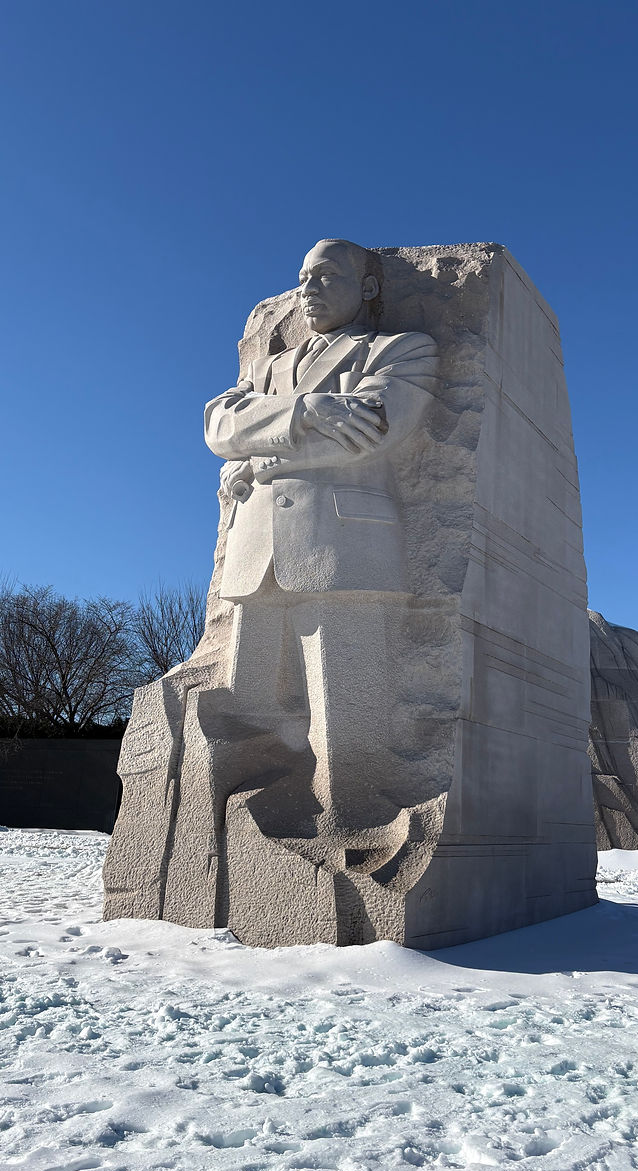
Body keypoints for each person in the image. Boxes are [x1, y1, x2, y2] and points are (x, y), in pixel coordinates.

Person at [203, 239, 438, 833]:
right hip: (257, 553)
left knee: (347, 705)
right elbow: (218, 426)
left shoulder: (401, 350)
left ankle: (355, 821)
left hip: (344, 548)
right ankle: (256, 824)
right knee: (251, 702)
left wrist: (256, 458)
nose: (307, 290)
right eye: (304, 277)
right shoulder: (270, 368)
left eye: (327, 276)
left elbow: (371, 432)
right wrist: (306, 412)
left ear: (368, 288)